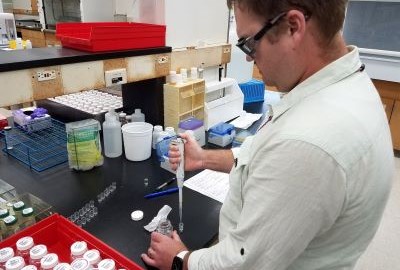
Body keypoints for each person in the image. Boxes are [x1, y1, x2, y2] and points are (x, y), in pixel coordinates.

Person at [142, 0, 394, 269]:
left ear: (292, 27)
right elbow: (264, 156)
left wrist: (180, 259)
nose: (249, 57)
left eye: (249, 42)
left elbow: (243, 261)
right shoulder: (348, 84)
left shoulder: (308, 140)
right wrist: (203, 158)